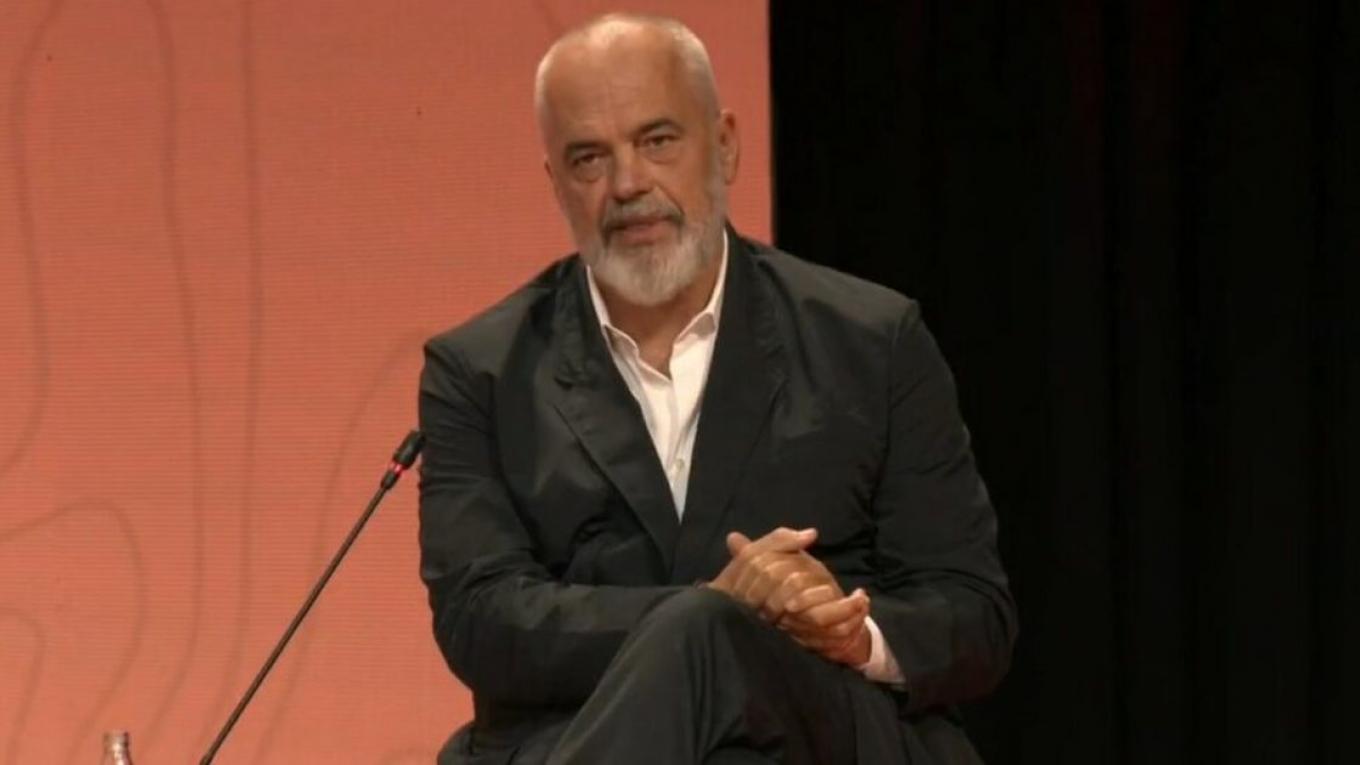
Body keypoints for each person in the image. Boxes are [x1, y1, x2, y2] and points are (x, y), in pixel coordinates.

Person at [418, 13, 1016, 765]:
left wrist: (852, 632)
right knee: (702, 632)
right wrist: (713, 611)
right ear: (556, 184)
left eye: (657, 141)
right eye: (589, 158)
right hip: (585, 732)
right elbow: (481, 620)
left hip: (818, 732)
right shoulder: (481, 370)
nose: (629, 184)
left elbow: (972, 613)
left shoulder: (872, 340)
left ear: (725, 144)